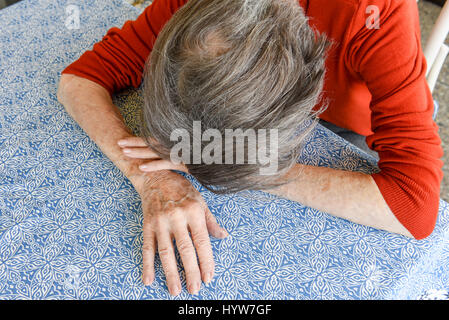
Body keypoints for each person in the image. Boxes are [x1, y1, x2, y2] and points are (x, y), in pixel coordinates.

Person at [57, 0, 444, 296]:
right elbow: (80, 79)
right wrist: (151, 176)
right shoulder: (201, 10)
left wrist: (232, 161)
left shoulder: (375, 12)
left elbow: (414, 207)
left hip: (349, 128)